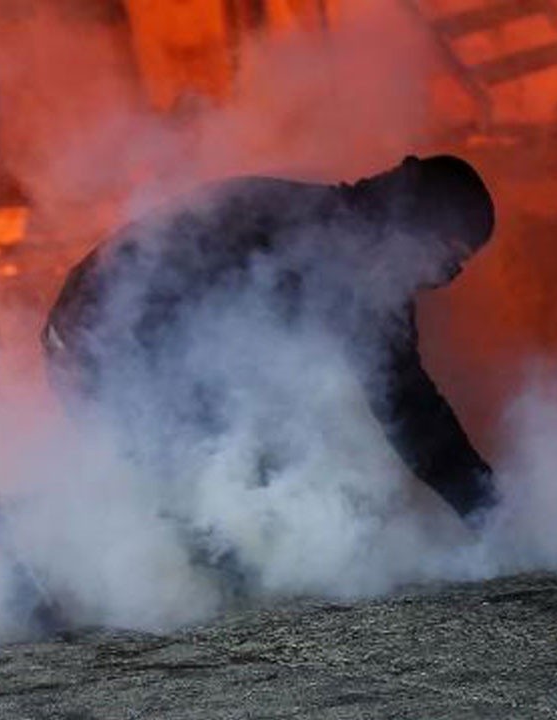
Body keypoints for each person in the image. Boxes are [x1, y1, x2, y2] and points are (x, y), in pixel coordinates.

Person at [42, 154, 498, 529]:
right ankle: (36, 538)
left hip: (95, 334)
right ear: (417, 222)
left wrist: (485, 505)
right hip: (105, 344)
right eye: (450, 256)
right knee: (232, 498)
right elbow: (410, 407)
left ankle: (74, 541)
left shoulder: (331, 231)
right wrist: (489, 512)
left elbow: (409, 406)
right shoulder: (333, 249)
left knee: (245, 490)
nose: (446, 277)